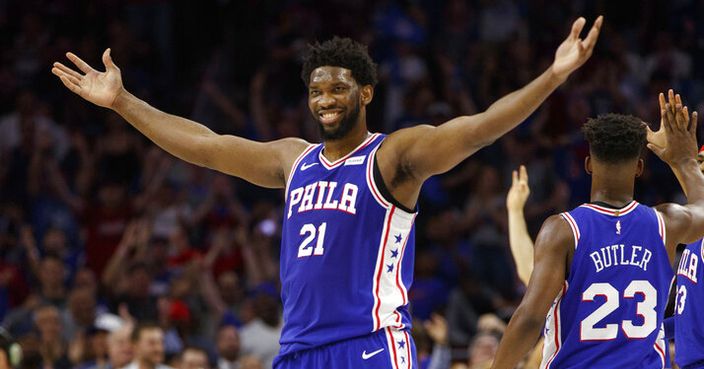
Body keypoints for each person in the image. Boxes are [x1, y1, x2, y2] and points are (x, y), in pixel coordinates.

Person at [52, 16, 602, 369]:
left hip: (370, 347)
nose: (325, 99)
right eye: (316, 90)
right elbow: (206, 144)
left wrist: (552, 76)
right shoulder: (294, 160)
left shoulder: (393, 157)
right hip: (298, 352)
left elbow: (481, 126)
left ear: (364, 91)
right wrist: (124, 102)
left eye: (337, 87)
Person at [491, 91, 704, 368]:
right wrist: (683, 161)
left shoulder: (563, 230)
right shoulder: (667, 223)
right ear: (639, 168)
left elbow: (530, 317)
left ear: (589, 165)